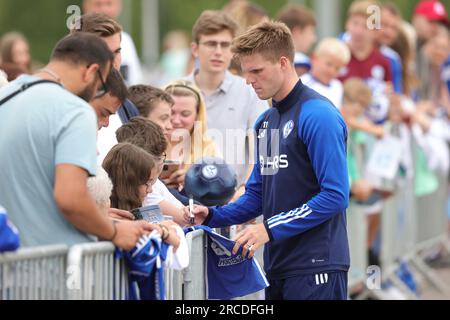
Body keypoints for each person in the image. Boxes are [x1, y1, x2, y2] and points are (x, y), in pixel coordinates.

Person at [184, 21, 350, 300]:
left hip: (317, 265)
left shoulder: (318, 115)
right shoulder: (266, 122)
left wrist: (269, 229)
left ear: (283, 63)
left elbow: (335, 195)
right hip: (278, 265)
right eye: (246, 72)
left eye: (257, 71)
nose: (248, 80)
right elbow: (258, 196)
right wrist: (213, 215)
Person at [0, 33, 152, 249]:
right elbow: (71, 198)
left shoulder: (7, 95)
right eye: (100, 84)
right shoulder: (75, 111)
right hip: (56, 267)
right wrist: (114, 231)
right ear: (91, 72)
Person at [185, 10, 268, 196]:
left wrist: (247, 192)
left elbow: (264, 153)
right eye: (211, 44)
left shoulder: (250, 91)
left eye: (225, 45)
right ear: (195, 49)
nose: (218, 52)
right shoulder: (175, 91)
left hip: (237, 199)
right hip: (186, 201)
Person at [115, 117, 186, 225]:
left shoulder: (154, 184)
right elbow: (186, 219)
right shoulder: (145, 192)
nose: (150, 189)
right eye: (162, 156)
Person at [164, 80, 220, 190]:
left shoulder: (209, 149)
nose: (176, 120)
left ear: (197, 116)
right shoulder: (145, 148)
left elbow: (220, 192)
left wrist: (194, 182)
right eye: (171, 112)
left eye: (185, 114)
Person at [83, 0, 142, 85]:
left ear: (119, 6)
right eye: (98, 4)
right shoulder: (76, 41)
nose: (104, 10)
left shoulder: (126, 41)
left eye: (109, 3)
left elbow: (135, 82)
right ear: (86, 6)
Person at [301, 37, 351, 110]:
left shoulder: (338, 87)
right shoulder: (303, 83)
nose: (332, 71)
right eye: (329, 64)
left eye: (337, 68)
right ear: (314, 58)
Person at [276, 4, 317, 77]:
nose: (313, 39)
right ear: (297, 32)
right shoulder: (302, 65)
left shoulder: (271, 60)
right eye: (311, 32)